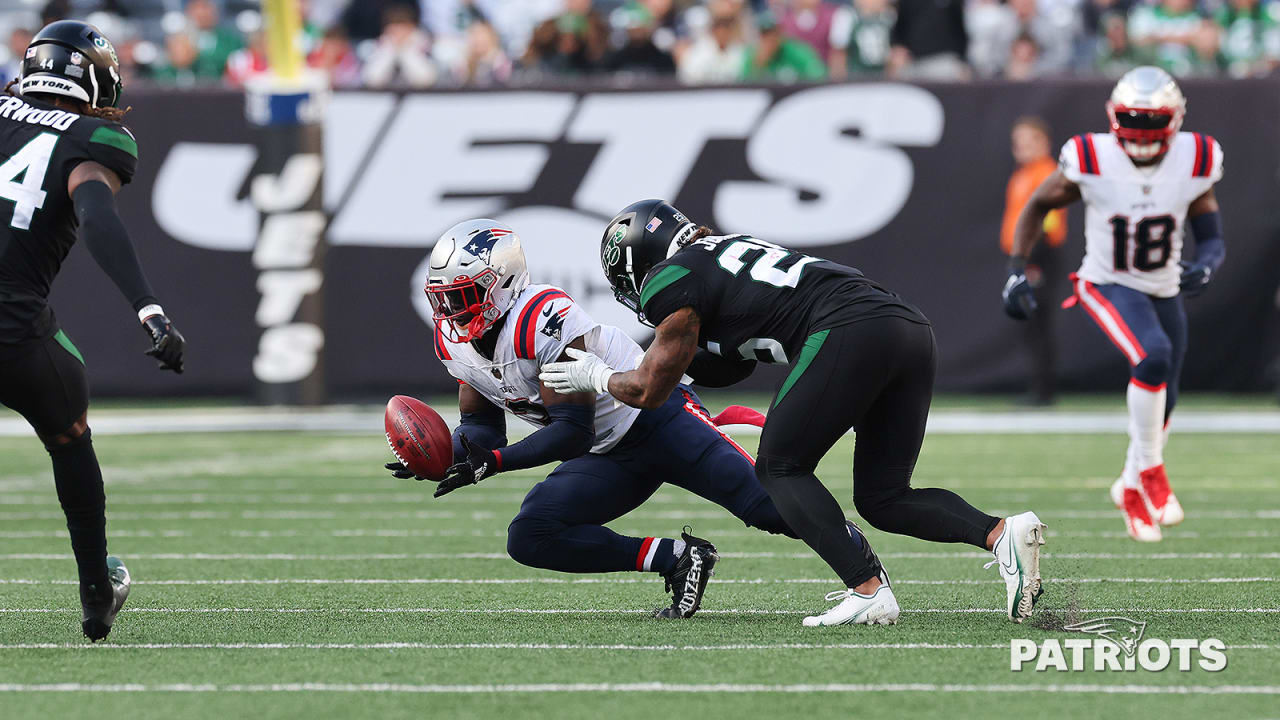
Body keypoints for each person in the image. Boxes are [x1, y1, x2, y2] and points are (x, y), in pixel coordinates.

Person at [540, 200, 1047, 626]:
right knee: (884, 497)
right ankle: (1003, 536)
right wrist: (681, 368)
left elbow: (648, 391)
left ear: (637, 262)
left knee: (779, 466)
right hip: (907, 327)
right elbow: (730, 366)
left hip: (848, 329)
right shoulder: (720, 253)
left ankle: (868, 589)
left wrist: (598, 377)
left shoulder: (670, 278)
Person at [387, 219, 800, 619]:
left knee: (771, 509)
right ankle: (678, 558)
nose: (452, 312)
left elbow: (572, 431)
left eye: (463, 296)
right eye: (443, 299)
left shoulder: (539, 317)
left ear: (502, 282)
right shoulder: (456, 344)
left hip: (660, 419)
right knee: (530, 536)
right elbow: (482, 427)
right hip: (609, 453)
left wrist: (492, 463)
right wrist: (442, 455)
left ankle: (863, 567)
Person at [0, 21, 186, 641]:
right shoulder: (98, 138)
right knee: (70, 435)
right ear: (92, 77)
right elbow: (96, 213)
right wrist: (148, 306)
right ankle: (95, 590)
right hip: (14, 331)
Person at [1002, 67, 1223, 542]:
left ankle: (1127, 485)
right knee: (1153, 356)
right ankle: (1150, 473)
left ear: (1176, 118)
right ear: (1114, 117)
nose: (1142, 133)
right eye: (1133, 120)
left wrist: (1206, 263)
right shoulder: (1091, 156)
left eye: (1152, 121)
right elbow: (1039, 204)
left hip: (1162, 285)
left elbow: (1209, 230)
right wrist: (1017, 266)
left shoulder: (1195, 157)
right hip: (1107, 282)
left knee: (1168, 396)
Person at [1002, 117, 1067, 405]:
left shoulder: (1047, 173)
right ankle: (1039, 386)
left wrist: (1029, 256)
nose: (1022, 147)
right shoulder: (1024, 174)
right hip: (1025, 255)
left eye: (1029, 141)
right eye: (1018, 141)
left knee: (1036, 319)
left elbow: (1048, 221)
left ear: (1044, 143)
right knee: (1029, 322)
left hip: (1038, 254)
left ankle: (1044, 390)